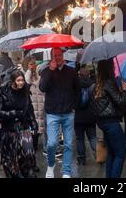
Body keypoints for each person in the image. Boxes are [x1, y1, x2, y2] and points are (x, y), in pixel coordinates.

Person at [39, 48, 80, 178]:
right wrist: (51, 71)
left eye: (60, 55)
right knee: (52, 144)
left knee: (68, 143)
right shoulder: (46, 71)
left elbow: (77, 90)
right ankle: (51, 165)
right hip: (52, 113)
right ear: (51, 57)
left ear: (63, 55)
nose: (58, 57)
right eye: (55, 55)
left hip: (68, 113)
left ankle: (66, 171)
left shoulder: (71, 72)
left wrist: (75, 106)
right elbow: (42, 87)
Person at [0, 70, 38, 178]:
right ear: (13, 81)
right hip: (9, 129)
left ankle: (28, 173)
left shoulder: (25, 91)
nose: (21, 83)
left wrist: (33, 123)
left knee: (28, 154)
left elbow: (29, 109)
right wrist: (13, 113)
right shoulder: (3, 91)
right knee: (11, 158)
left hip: (23, 127)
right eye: (18, 80)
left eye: (22, 80)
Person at [91, 59, 126, 178]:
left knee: (111, 153)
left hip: (103, 123)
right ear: (109, 67)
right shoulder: (109, 82)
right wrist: (124, 90)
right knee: (120, 153)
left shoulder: (98, 83)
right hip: (111, 122)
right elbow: (120, 101)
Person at [25, 56, 46, 173]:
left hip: (40, 108)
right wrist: (29, 70)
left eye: (34, 64)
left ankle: (33, 161)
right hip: (31, 110)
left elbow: (43, 89)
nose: (33, 66)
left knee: (36, 135)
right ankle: (31, 163)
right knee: (32, 137)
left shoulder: (40, 77)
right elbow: (26, 82)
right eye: (30, 64)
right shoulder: (25, 76)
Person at [75, 66, 97, 165]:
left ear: (79, 74)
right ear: (88, 74)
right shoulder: (93, 85)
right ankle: (98, 155)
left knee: (80, 138)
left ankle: (82, 159)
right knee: (92, 137)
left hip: (78, 117)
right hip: (91, 116)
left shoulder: (75, 85)